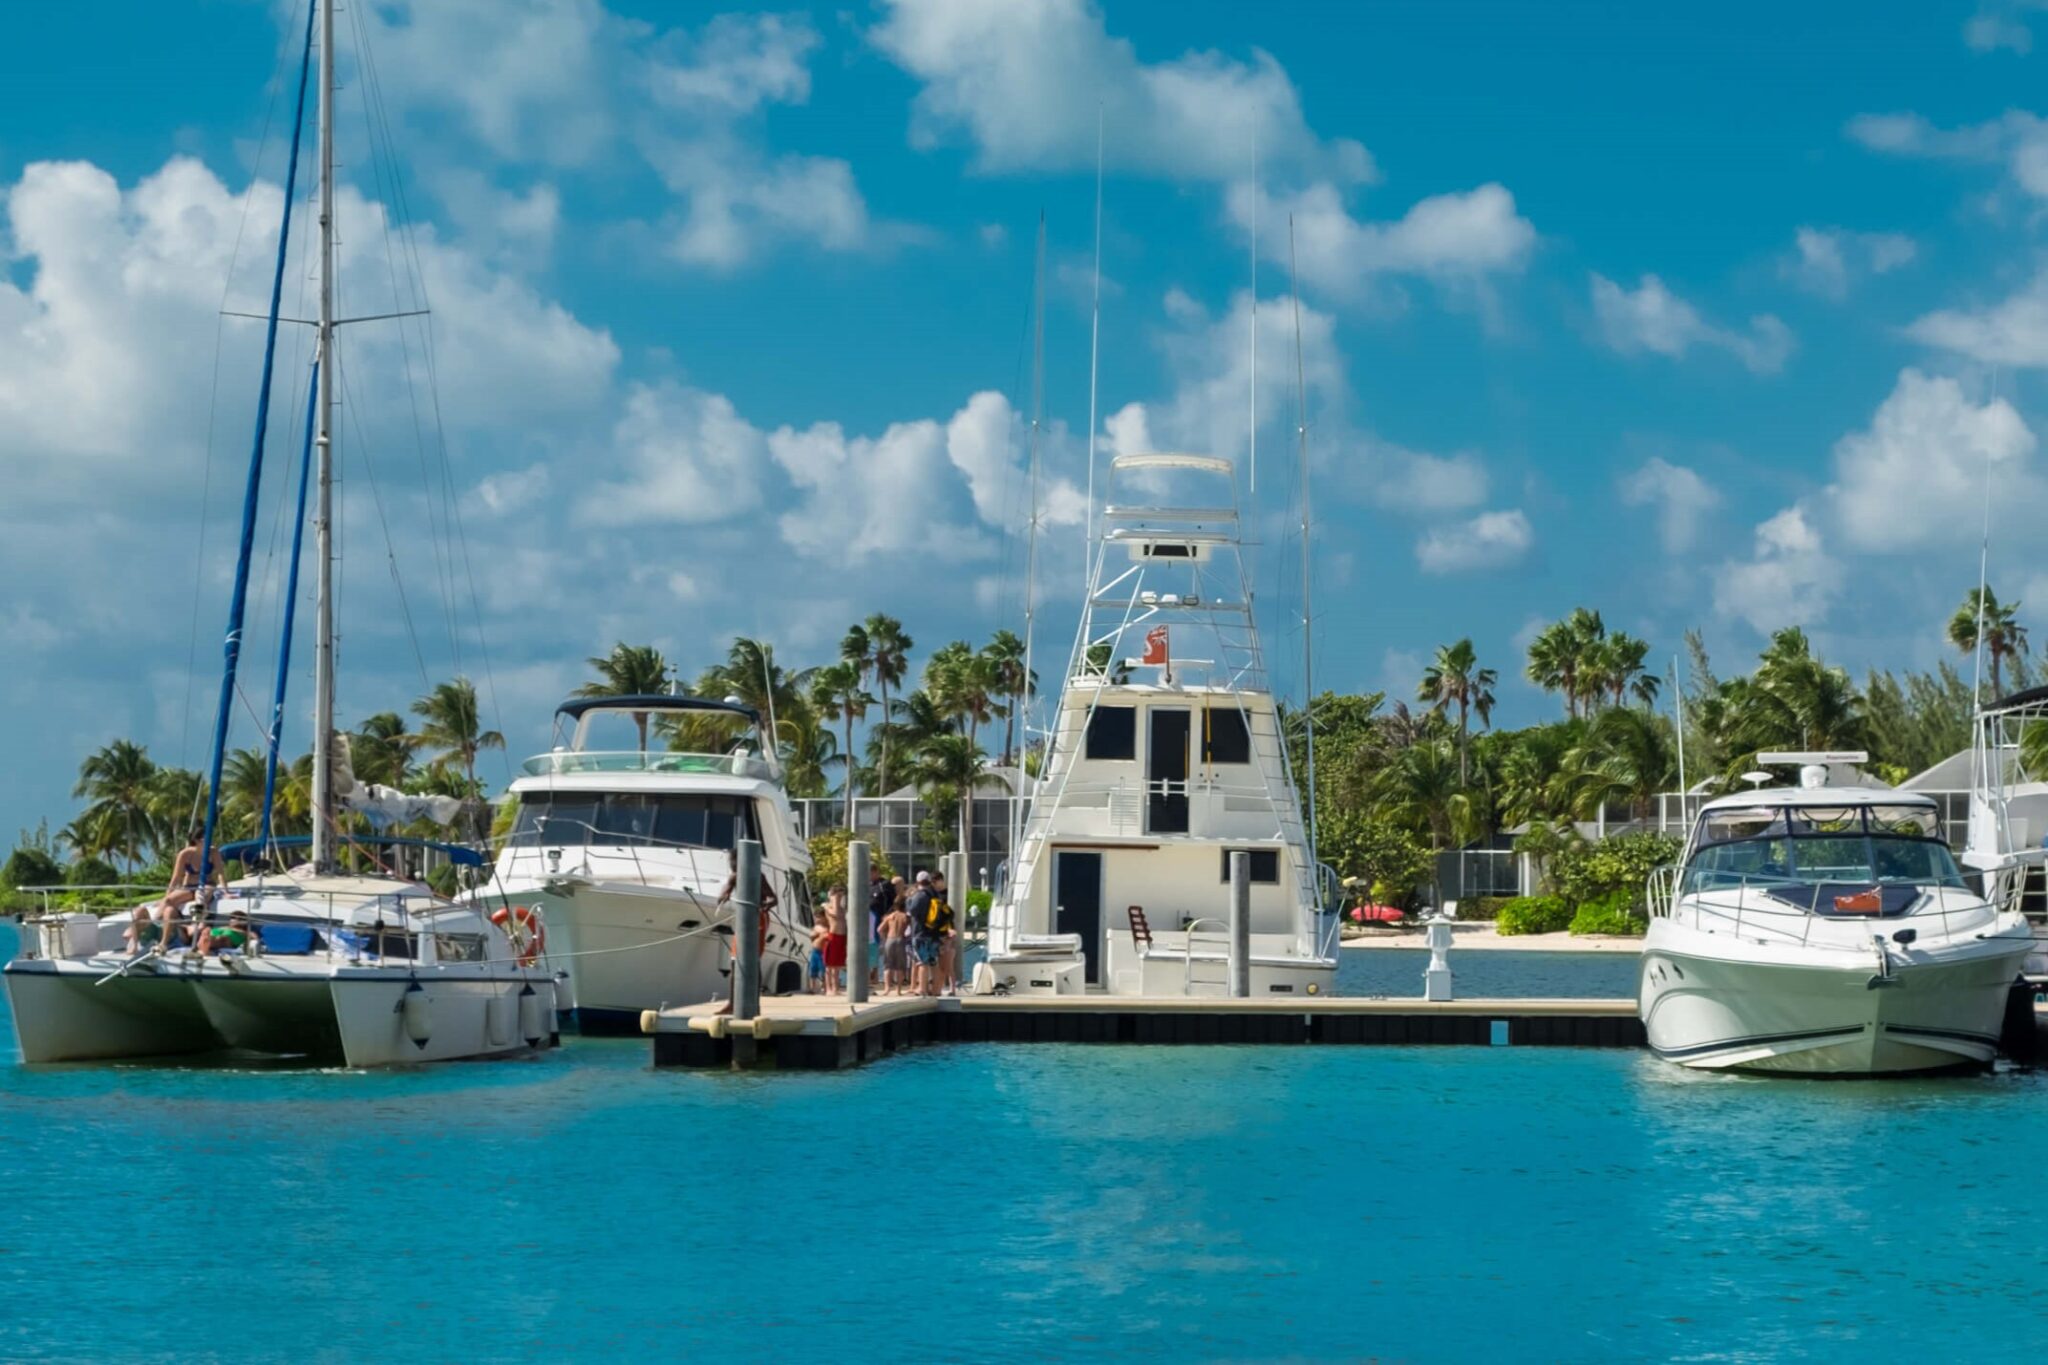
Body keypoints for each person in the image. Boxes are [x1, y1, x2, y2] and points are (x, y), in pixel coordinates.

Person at [713, 847, 779, 1015]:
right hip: (743, 920)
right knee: (735, 961)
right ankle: (732, 1003)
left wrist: (764, 905)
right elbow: (723, 894)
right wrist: (724, 896)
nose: (731, 864)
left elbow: (773, 899)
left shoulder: (758, 876)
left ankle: (754, 1004)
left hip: (758, 918)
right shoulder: (734, 877)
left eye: (733, 860)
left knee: (753, 960)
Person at [925, 870, 959, 997]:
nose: (934, 885)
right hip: (936, 932)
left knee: (948, 964)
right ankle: (936, 987)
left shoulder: (947, 895)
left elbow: (949, 915)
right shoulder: (933, 895)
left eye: (935, 882)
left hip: (946, 931)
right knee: (936, 963)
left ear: (941, 880)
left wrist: (950, 930)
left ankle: (952, 988)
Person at [879, 897, 911, 995]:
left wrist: (885, 938)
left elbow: (879, 929)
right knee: (900, 966)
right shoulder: (905, 917)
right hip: (901, 939)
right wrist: (907, 937)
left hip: (890, 939)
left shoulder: (890, 916)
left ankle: (887, 988)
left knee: (887, 965)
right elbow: (912, 930)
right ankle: (898, 990)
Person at [821, 885, 849, 993]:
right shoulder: (829, 907)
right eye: (838, 896)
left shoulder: (841, 908)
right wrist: (833, 899)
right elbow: (836, 915)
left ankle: (836, 988)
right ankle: (829, 988)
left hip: (842, 937)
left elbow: (842, 915)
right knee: (830, 966)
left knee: (837, 966)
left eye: (841, 896)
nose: (840, 898)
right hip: (833, 936)